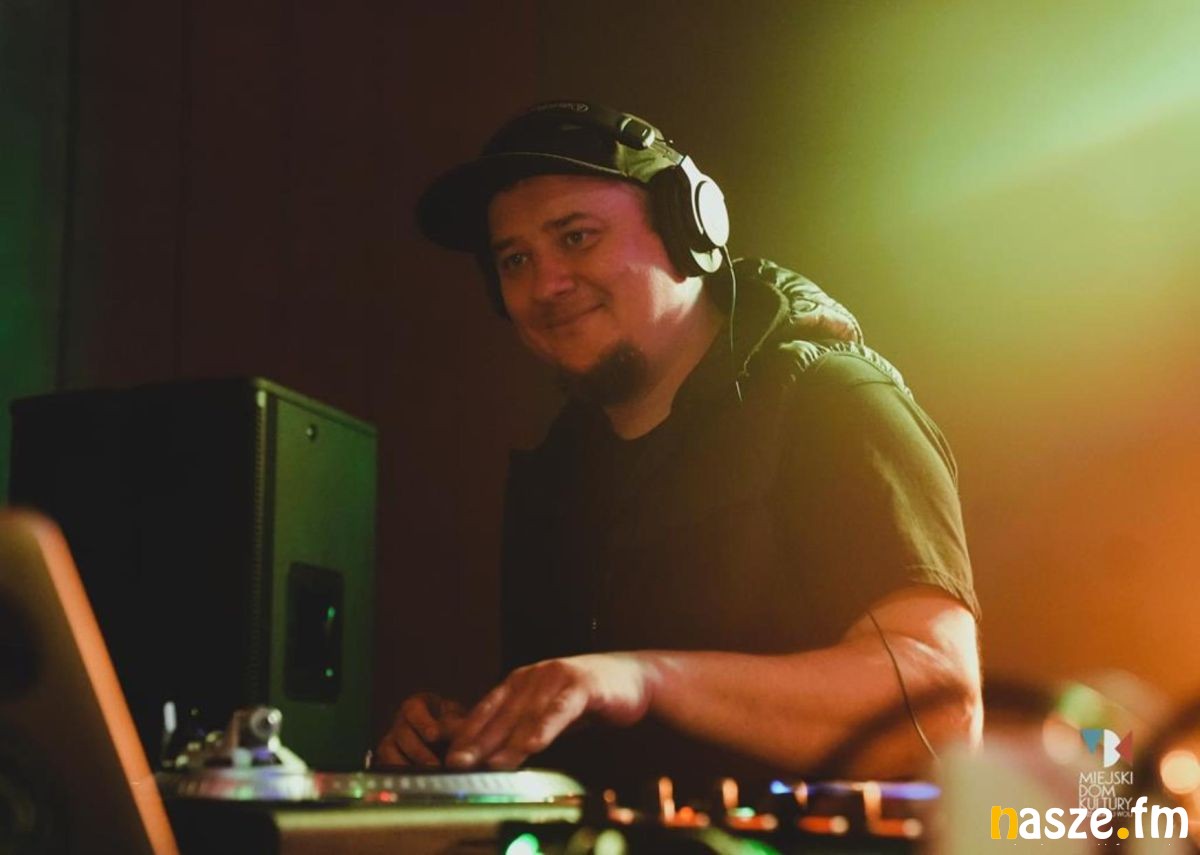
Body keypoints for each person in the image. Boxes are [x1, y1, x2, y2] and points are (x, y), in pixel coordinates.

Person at [377, 102, 982, 787]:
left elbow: (939, 712)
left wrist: (644, 679)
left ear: (686, 228)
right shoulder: (558, 471)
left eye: (576, 237)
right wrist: (478, 733)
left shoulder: (833, 402)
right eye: (515, 259)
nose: (546, 284)